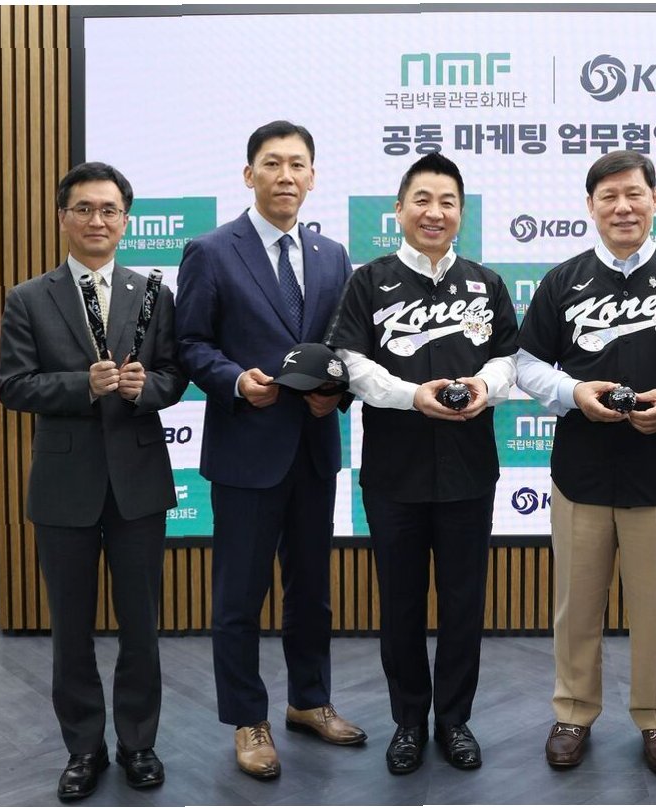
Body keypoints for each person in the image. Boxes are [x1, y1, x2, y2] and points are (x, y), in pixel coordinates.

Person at [516, 150, 656, 774]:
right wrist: (572, 392)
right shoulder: (563, 280)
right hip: (580, 474)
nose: (623, 206)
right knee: (575, 608)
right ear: (590, 206)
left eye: (634, 193)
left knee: (655, 610)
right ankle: (573, 711)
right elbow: (526, 363)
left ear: (655, 200)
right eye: (608, 196)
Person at [175, 120, 365, 780]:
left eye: (298, 164)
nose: (286, 175)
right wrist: (235, 382)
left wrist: (335, 394)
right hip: (245, 450)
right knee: (239, 597)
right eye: (273, 163)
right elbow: (190, 343)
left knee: (311, 591)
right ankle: (247, 719)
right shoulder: (210, 251)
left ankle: (309, 700)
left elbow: (345, 349)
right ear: (248, 173)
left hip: (313, 448)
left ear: (313, 177)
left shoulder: (333, 255)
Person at [0, 162, 188, 799]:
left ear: (125, 220)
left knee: (141, 627)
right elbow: (14, 386)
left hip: (139, 484)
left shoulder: (154, 292)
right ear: (63, 218)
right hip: (63, 487)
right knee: (70, 630)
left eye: (109, 210)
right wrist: (82, 385)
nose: (96, 220)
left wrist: (144, 387)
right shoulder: (28, 297)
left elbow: (175, 375)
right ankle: (83, 748)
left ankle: (138, 744)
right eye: (83, 208)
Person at [328, 153, 518, 775]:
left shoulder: (486, 283)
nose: (435, 212)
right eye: (423, 200)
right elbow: (350, 363)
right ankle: (408, 721)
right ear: (399, 209)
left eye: (447, 202)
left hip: (469, 469)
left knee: (464, 603)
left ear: (461, 213)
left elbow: (510, 358)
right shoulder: (368, 281)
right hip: (394, 472)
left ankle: (455, 720)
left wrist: (486, 385)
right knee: (401, 603)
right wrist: (413, 395)